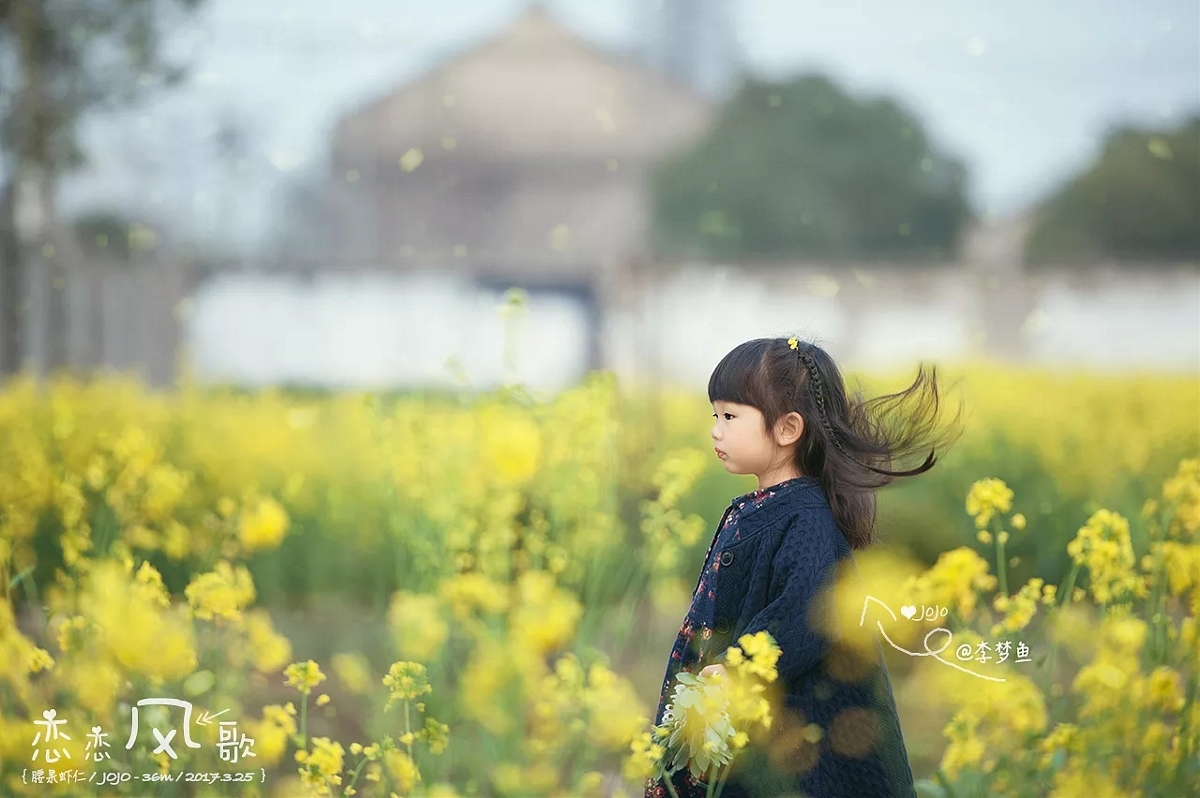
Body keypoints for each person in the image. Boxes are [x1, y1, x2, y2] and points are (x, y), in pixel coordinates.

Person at [643, 336, 964, 798]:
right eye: (715, 415)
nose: (716, 430)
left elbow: (805, 613)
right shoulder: (762, 508)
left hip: (788, 740)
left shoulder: (808, 519)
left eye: (730, 416)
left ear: (788, 428)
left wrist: (740, 671)